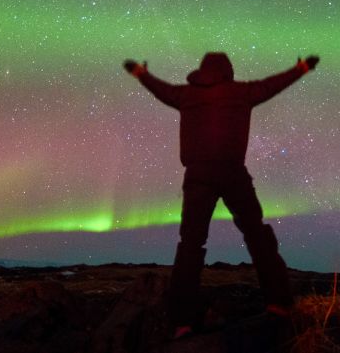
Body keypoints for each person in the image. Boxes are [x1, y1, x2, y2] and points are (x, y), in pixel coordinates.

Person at [123, 52, 319, 337]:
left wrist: (141, 73)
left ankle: (182, 322)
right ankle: (279, 303)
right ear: (228, 71)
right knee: (257, 236)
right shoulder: (241, 92)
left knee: (190, 245)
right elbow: (273, 84)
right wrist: (300, 68)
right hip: (232, 173)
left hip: (198, 175)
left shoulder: (186, 95)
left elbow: (160, 88)